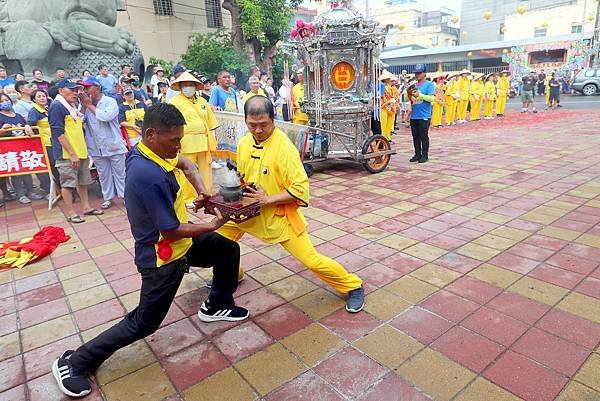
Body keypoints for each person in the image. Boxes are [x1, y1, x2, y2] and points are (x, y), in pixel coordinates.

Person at [51, 103, 249, 398]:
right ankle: (76, 362)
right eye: (174, 141)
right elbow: (170, 230)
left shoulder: (148, 151)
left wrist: (202, 192)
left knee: (227, 250)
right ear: (153, 134)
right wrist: (211, 224)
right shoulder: (148, 176)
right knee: (144, 322)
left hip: (181, 242)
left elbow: (187, 164)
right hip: (162, 254)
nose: (179, 146)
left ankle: (217, 303)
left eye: (180, 139)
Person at [214, 96, 365, 312]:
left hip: (279, 216)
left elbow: (300, 188)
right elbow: (245, 173)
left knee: (312, 261)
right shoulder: (245, 142)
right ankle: (231, 275)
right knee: (217, 240)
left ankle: (353, 285)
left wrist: (268, 199)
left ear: (273, 120)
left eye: (263, 125)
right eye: (252, 125)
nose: (257, 130)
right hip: (248, 211)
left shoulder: (284, 148)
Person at [49, 79, 104, 223]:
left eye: (76, 90)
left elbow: (80, 120)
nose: (75, 93)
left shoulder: (71, 107)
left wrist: (85, 105)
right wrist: (72, 154)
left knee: (83, 182)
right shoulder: (57, 106)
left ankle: (86, 207)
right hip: (67, 154)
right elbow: (58, 132)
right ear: (61, 90)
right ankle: (71, 213)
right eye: (72, 89)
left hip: (80, 151)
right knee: (68, 183)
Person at [78, 76, 127, 210]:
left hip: (113, 145)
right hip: (96, 147)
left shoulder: (110, 101)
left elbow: (106, 117)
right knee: (103, 174)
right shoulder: (85, 105)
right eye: (83, 88)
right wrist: (83, 106)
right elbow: (78, 120)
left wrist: (89, 105)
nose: (85, 91)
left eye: (88, 87)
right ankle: (108, 198)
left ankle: (124, 197)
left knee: (120, 174)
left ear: (97, 88)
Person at [169, 72, 219, 203]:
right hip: (186, 141)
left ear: (196, 86)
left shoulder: (202, 101)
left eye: (190, 84)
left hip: (204, 140)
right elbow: (170, 123)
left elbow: (210, 121)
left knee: (205, 169)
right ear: (180, 87)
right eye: (185, 85)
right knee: (187, 170)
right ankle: (189, 198)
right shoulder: (174, 102)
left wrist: (213, 138)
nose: (188, 87)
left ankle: (206, 194)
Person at [0, 93, 43, 204]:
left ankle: (30, 191)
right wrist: (3, 130)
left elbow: (26, 128)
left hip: (23, 148)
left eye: (6, 100)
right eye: (2, 101)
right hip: (9, 150)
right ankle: (20, 194)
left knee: (27, 171)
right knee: (16, 173)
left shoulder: (17, 115)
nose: (5, 102)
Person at [28, 89, 59, 198]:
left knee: (58, 167)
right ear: (34, 99)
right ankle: (51, 191)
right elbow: (30, 124)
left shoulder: (49, 108)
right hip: (46, 143)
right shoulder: (34, 111)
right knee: (53, 167)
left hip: (56, 141)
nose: (42, 98)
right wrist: (27, 126)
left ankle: (62, 191)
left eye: (44, 96)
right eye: (39, 96)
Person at [407, 64, 435, 164]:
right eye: (416, 73)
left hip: (424, 115)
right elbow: (408, 99)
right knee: (415, 136)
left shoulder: (429, 84)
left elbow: (432, 98)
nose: (417, 75)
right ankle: (417, 154)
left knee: (424, 136)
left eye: (419, 73)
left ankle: (425, 155)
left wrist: (420, 95)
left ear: (424, 73)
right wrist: (408, 94)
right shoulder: (414, 85)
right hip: (414, 115)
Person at [379, 70, 398, 141]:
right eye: (389, 79)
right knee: (384, 125)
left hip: (391, 107)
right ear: (386, 80)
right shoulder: (382, 87)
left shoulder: (392, 88)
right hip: (384, 107)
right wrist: (388, 103)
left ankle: (388, 138)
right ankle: (383, 139)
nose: (391, 80)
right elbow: (382, 97)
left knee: (389, 124)